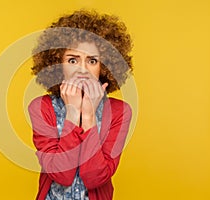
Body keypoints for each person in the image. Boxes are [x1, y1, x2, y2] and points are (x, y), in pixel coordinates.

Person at [28, 9, 133, 200]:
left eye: (92, 60)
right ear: (58, 64)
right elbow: (62, 176)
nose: (82, 70)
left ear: (104, 67)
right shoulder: (41, 108)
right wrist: (72, 112)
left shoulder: (120, 112)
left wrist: (89, 117)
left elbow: (95, 179)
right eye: (72, 60)